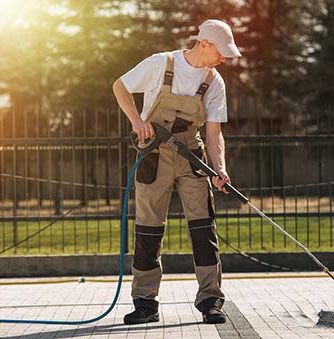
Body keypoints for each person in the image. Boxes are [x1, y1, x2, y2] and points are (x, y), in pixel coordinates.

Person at [112, 19, 241, 325]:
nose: (224, 58)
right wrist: (136, 120)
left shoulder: (215, 81)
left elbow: (213, 133)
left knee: (203, 227)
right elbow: (120, 86)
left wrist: (218, 168)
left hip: (191, 154)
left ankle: (210, 300)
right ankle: (145, 303)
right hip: (154, 152)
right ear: (204, 44)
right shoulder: (161, 63)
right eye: (221, 51)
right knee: (148, 228)